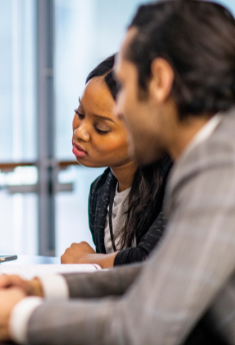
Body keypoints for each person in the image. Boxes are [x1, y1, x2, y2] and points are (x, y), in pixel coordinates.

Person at [0, 0, 235, 345]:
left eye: (124, 86)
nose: (121, 109)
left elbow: (143, 329)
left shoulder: (232, 165)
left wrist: (20, 317)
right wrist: (43, 286)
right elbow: (164, 274)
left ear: (159, 80)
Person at [61, 55, 172, 269]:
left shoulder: (174, 182)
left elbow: (151, 263)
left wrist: (85, 260)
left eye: (101, 128)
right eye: (80, 113)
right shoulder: (100, 191)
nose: (80, 132)